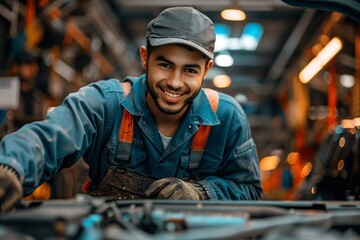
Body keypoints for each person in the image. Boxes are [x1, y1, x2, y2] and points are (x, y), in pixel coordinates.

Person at [0, 6, 262, 212]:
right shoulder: (105, 104)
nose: (175, 82)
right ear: (145, 58)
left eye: (190, 70)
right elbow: (50, 137)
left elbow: (249, 190)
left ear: (206, 70)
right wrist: (10, 168)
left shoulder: (227, 117)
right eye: (166, 65)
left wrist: (202, 193)